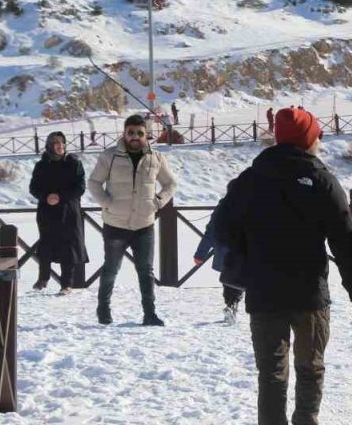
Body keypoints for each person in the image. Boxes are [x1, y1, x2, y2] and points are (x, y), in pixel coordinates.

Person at [211, 107, 352, 425]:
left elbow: (221, 226)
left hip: (264, 293)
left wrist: (248, 252)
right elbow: (345, 242)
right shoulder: (320, 179)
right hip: (310, 292)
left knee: (271, 373)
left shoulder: (250, 179)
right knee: (310, 369)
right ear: (309, 138)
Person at [87, 115, 176, 325]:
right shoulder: (109, 156)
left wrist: (159, 202)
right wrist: (106, 202)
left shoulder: (156, 158)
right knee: (111, 268)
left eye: (139, 133)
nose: (135, 137)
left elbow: (170, 183)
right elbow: (94, 183)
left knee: (146, 271)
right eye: (130, 133)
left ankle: (150, 313)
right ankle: (103, 310)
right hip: (115, 224)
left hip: (144, 224)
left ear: (146, 135)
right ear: (124, 133)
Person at [29, 132, 88, 294]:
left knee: (68, 248)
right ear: (49, 145)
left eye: (62, 142)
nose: (60, 145)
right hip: (47, 211)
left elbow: (80, 187)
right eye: (56, 142)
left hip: (68, 211)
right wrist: (46, 197)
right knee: (46, 244)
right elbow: (34, 187)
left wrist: (60, 197)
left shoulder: (74, 163)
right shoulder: (41, 165)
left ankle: (66, 284)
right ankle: (43, 278)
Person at [194, 196, 245, 325]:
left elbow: (210, 231)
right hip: (244, 251)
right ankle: (234, 305)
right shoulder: (251, 203)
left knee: (229, 281)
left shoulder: (222, 207)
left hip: (225, 252)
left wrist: (200, 253)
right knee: (241, 280)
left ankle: (230, 305)